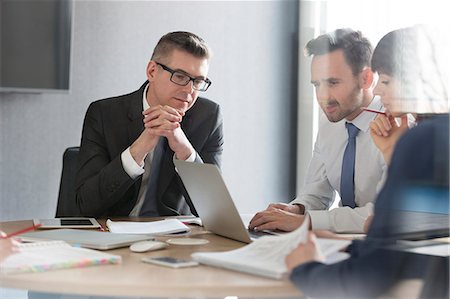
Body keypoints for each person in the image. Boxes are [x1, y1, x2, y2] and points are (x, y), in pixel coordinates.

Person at [285, 25, 449, 298]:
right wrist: (352, 245)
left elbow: (371, 276)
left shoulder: (423, 141)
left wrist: (304, 268)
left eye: (385, 80)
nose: (380, 92)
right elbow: (411, 242)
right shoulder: (429, 137)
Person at [249, 29, 386, 233]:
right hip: (342, 242)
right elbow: (316, 194)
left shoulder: (397, 126)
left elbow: (385, 214)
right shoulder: (329, 122)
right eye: (316, 84)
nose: (322, 96)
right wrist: (296, 210)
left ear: (366, 79)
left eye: (333, 82)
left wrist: (308, 222)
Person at [75, 31, 223, 217]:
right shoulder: (104, 114)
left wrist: (184, 149)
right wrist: (140, 148)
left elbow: (214, 211)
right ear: (152, 71)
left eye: (198, 81)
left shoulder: (208, 117)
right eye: (179, 76)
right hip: (114, 233)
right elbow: (86, 205)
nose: (189, 90)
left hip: (176, 238)